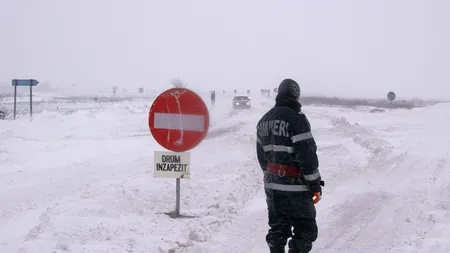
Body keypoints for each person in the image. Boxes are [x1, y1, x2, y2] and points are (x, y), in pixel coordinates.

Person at [256, 78, 323, 253]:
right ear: (296, 97)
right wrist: (315, 185)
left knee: (277, 230)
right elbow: (307, 156)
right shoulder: (297, 119)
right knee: (305, 231)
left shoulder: (263, 120)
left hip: (272, 186)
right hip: (296, 189)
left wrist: (272, 175)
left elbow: (262, 157)